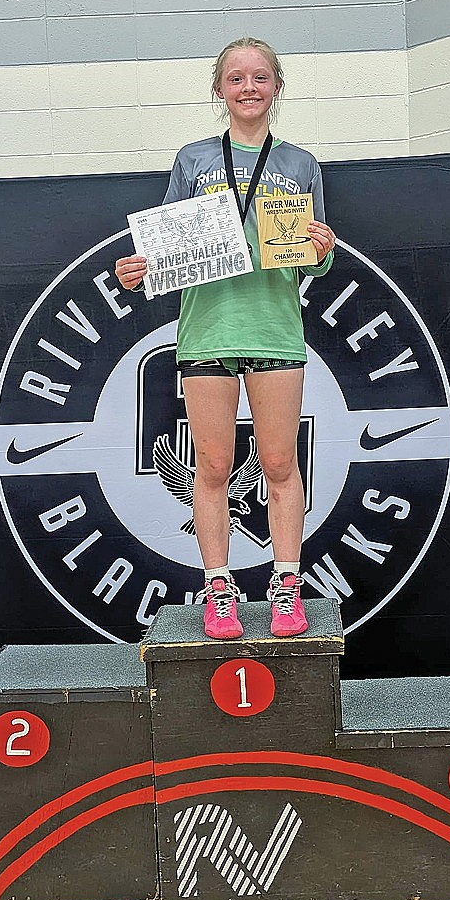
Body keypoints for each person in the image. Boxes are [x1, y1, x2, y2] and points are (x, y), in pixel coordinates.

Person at [115, 37, 335, 640]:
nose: (248, 88)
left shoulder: (300, 164)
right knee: (211, 468)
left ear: (277, 86)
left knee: (280, 464)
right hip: (207, 330)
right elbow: (163, 252)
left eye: (260, 77)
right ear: (219, 89)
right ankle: (219, 589)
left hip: (274, 330)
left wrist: (321, 252)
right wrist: (137, 270)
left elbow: (311, 264)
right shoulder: (191, 161)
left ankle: (287, 585)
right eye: (235, 78)